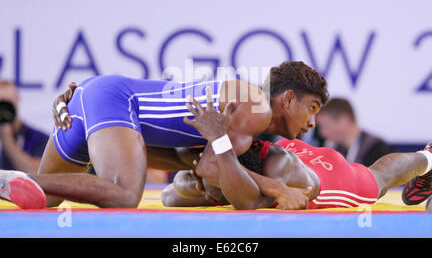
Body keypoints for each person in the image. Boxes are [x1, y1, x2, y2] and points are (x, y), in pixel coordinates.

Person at [0, 61, 329, 209]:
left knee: (47, 199)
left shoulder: (243, 105)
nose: (312, 123)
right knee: (125, 194)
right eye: (312, 108)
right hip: (114, 101)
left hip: (93, 97)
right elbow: (216, 169)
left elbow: (193, 162)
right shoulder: (256, 106)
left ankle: (10, 179)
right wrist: (277, 187)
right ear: (287, 98)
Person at [161, 92, 432, 210]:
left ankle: (427, 158)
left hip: (323, 177)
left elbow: (290, 198)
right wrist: (194, 181)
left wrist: (212, 173)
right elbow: (169, 195)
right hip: (279, 152)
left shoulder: (282, 175)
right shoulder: (217, 176)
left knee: (378, 179)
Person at [315, 98, 392, 167]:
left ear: (344, 120)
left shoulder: (378, 150)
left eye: (324, 126)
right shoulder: (333, 149)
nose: (322, 133)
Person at [0, 81, 49, 175]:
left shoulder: (39, 139)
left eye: (8, 103)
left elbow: (38, 174)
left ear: (17, 100)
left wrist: (7, 140)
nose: (3, 109)